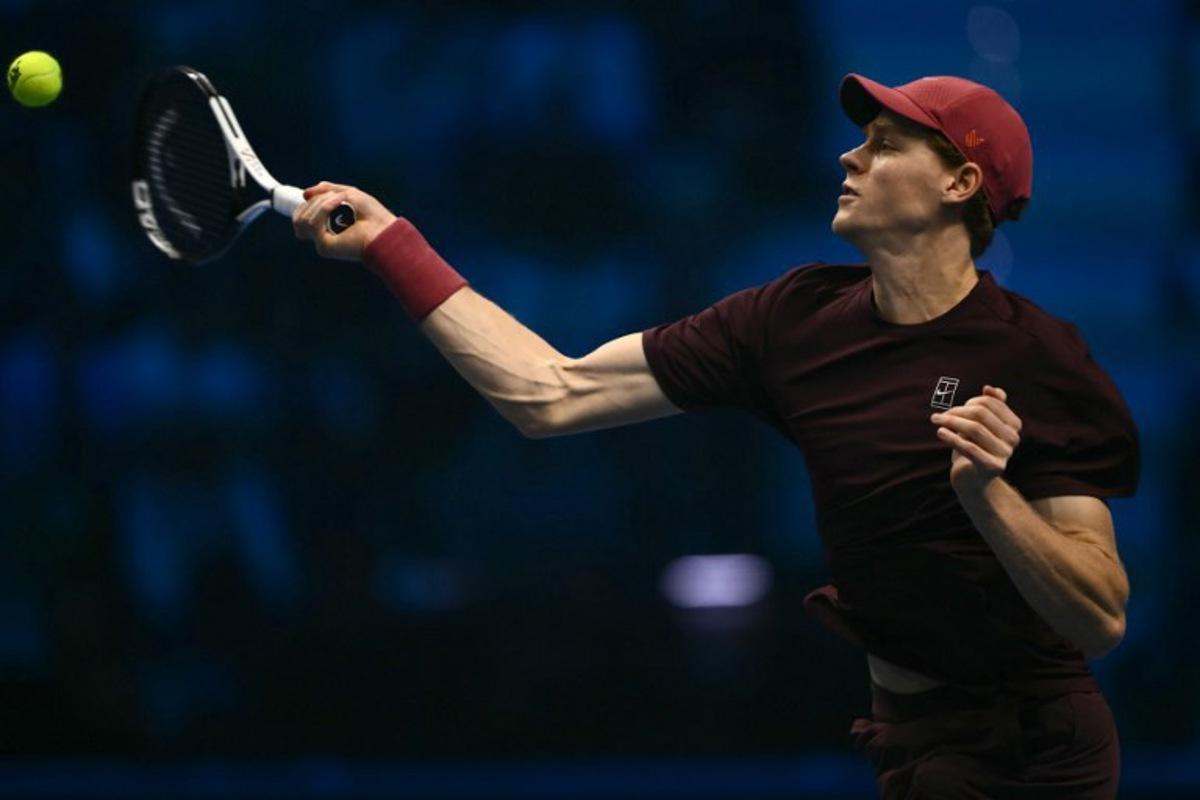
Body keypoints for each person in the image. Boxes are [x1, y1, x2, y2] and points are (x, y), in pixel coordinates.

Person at [293, 73, 1138, 798]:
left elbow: (1099, 617)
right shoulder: (794, 320)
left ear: (959, 183)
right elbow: (548, 392)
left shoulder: (1036, 357)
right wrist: (390, 243)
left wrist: (988, 499)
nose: (850, 158)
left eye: (884, 145)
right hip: (906, 736)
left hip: (1034, 749)